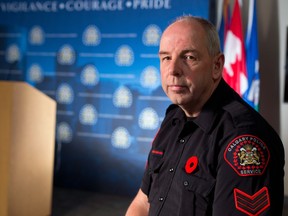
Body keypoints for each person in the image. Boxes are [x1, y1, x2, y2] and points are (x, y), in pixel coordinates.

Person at [125, 15, 285, 216]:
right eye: (166, 58)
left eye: (189, 57)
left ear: (216, 66)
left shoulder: (243, 139)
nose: (173, 70)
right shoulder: (173, 118)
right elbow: (143, 202)